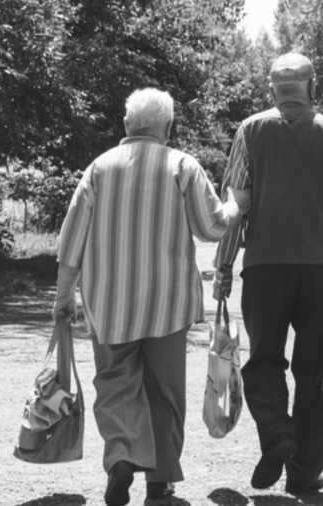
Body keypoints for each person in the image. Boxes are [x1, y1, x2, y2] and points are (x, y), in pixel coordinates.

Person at [54, 87, 248, 506]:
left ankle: (122, 456)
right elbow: (212, 227)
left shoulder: (99, 168)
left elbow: (71, 243)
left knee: (115, 383)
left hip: (110, 305)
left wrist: (63, 297)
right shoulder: (182, 165)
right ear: (168, 126)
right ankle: (159, 482)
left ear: (127, 125)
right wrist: (235, 204)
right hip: (167, 306)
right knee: (165, 392)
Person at [213, 53, 323, 496]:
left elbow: (234, 205)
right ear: (311, 86)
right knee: (317, 370)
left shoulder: (250, 130)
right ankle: (304, 473)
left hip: (264, 270)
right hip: (321, 274)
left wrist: (223, 265)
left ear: (272, 89)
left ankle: (277, 433)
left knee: (263, 361)